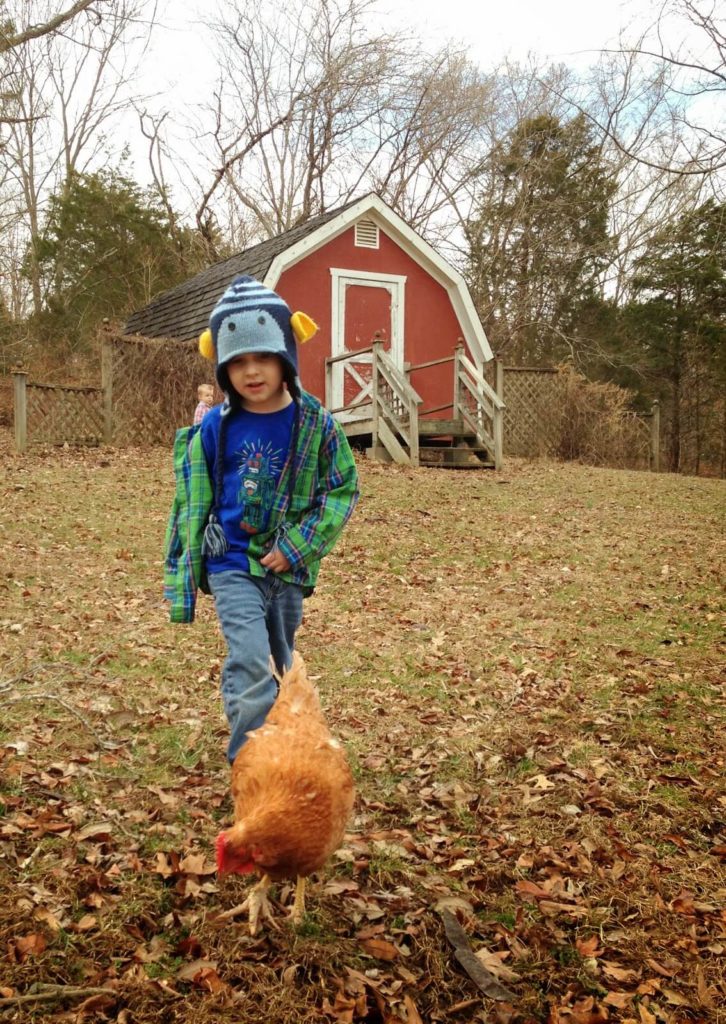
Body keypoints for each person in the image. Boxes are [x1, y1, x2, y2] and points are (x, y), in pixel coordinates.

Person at [164, 276, 359, 764]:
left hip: (287, 570)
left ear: (286, 356)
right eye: (236, 361)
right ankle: (253, 767)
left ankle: (287, 742)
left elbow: (341, 490)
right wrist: (189, 566)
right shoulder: (214, 426)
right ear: (222, 366)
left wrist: (297, 546)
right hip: (230, 562)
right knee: (250, 660)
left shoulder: (315, 425)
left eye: (263, 357)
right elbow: (192, 498)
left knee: (281, 662)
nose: (251, 371)